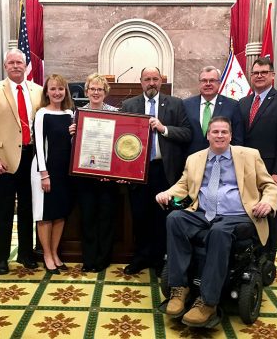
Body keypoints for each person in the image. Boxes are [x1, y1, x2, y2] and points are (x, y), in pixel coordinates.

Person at [156, 116, 277, 328]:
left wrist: (268, 202)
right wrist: (167, 193)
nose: (220, 135)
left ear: (231, 135)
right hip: (203, 212)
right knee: (175, 219)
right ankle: (179, 288)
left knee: (219, 232)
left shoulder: (249, 156)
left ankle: (208, 302)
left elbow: (270, 186)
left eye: (224, 132)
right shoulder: (195, 158)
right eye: (215, 132)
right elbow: (183, 185)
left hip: (238, 214)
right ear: (208, 135)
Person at [121, 67, 192, 275]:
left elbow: (187, 133)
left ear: (161, 81)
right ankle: (141, 257)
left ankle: (162, 259)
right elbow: (120, 138)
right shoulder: (129, 105)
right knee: (140, 215)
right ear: (140, 82)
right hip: (138, 171)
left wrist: (163, 129)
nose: (151, 83)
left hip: (165, 170)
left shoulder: (176, 104)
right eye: (147, 79)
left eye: (155, 79)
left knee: (163, 217)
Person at [0, 48, 42, 275]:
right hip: (3, 162)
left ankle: (26, 253)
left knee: (28, 209)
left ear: (26, 66)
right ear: (5, 66)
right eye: (11, 62)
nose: (16, 66)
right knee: (3, 211)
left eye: (20, 62)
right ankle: (2, 257)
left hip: (30, 159)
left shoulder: (38, 90)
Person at [238, 57, 277, 262]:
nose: (259, 76)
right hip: (245, 169)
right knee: (250, 211)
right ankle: (251, 255)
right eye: (256, 73)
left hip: (270, 169)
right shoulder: (243, 103)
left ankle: (268, 258)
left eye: (264, 72)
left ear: (272, 75)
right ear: (251, 76)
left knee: (269, 213)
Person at [69, 73, 119, 273]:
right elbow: (75, 146)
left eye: (100, 89)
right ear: (86, 91)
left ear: (105, 92)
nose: (96, 92)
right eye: (92, 89)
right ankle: (89, 260)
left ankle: (103, 259)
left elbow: (118, 145)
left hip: (108, 176)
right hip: (85, 176)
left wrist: (114, 171)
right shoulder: (79, 113)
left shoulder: (116, 112)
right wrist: (72, 134)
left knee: (106, 219)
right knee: (88, 218)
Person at [31, 74, 74, 274]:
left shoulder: (69, 113)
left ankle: (55, 253)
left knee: (60, 214)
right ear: (46, 92)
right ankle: (47, 254)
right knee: (45, 215)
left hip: (65, 171)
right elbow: (39, 146)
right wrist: (44, 174)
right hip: (45, 171)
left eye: (60, 89)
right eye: (53, 89)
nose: (57, 93)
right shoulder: (41, 114)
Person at [183, 66, 244, 155]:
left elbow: (237, 139)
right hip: (192, 160)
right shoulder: (186, 105)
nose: (208, 84)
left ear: (219, 83)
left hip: (223, 160)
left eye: (212, 80)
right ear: (199, 84)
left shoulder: (232, 105)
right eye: (204, 81)